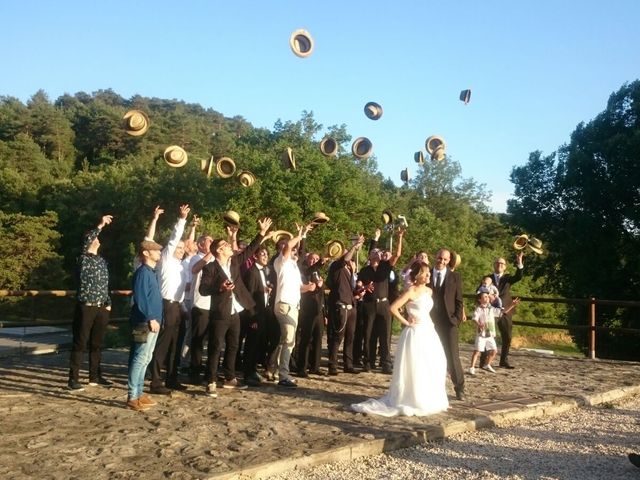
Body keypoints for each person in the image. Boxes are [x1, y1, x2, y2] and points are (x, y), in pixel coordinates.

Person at [351, 261, 448, 416]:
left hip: (428, 330)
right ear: (418, 275)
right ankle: (413, 397)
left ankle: (430, 396)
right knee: (416, 365)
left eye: (429, 273)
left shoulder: (429, 291)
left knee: (436, 362)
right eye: (426, 273)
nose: (429, 275)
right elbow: (393, 308)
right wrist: (407, 322)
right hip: (415, 331)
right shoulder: (411, 291)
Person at [198, 216, 273, 398]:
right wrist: (220, 287)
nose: (229, 247)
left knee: (233, 345)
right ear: (219, 250)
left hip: (236, 311)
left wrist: (261, 233)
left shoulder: (234, 263)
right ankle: (211, 381)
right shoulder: (210, 268)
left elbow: (250, 249)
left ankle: (230, 377)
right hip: (220, 312)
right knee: (216, 346)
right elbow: (203, 289)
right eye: (225, 244)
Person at [68, 214, 114, 391]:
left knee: (97, 343)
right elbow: (88, 238)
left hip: (101, 306)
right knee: (80, 342)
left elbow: (106, 284)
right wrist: (101, 224)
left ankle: (95, 376)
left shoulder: (102, 261)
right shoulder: (83, 258)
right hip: (86, 305)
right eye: (95, 238)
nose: (97, 240)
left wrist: (108, 302)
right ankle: (73, 379)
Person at [149, 204, 190, 395]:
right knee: (163, 345)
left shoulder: (182, 266)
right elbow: (174, 239)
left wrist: (183, 306)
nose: (181, 250)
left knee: (176, 344)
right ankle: (156, 381)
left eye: (183, 248)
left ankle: (172, 378)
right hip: (165, 305)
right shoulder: (166, 259)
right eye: (178, 247)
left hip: (177, 307)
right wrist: (182, 219)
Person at [272, 223, 317, 388]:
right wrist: (301, 234)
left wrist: (309, 287)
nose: (290, 249)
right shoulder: (280, 262)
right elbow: (290, 244)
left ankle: (273, 369)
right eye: (286, 247)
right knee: (289, 340)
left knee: (286, 340)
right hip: (284, 305)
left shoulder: (293, 266)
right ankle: (283, 375)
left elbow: (300, 287)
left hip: (293, 305)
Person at [357, 228, 403, 374]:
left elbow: (397, 255)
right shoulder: (364, 271)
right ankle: (368, 362)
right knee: (369, 334)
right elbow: (358, 286)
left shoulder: (385, 267)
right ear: (369, 256)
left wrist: (399, 237)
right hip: (370, 304)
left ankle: (386, 363)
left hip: (384, 304)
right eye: (373, 252)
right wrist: (364, 286)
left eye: (378, 252)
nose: (377, 253)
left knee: (385, 334)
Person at [126, 239, 164, 411]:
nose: (159, 253)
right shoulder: (142, 273)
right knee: (140, 358)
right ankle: (132, 396)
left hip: (152, 321)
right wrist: (151, 318)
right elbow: (141, 298)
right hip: (143, 322)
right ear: (146, 253)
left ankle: (140, 393)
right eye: (155, 250)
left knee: (146, 358)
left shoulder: (151, 272)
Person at [430, 248, 466, 401]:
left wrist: (456, 319)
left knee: (452, 355)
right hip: (429, 321)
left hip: (449, 321)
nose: (441, 262)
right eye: (439, 258)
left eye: (445, 259)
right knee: (430, 354)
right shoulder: (426, 274)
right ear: (435, 257)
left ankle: (459, 388)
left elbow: (459, 300)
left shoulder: (454, 277)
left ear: (448, 260)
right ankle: (431, 386)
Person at [326, 235, 364, 376]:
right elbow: (346, 258)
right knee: (338, 337)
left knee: (350, 336)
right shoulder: (336, 265)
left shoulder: (349, 269)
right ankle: (332, 364)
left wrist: (358, 291)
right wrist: (355, 246)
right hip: (341, 305)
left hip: (351, 304)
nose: (347, 251)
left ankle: (348, 364)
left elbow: (349, 287)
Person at [241, 245, 273, 386]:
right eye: (262, 254)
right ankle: (247, 373)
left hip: (262, 312)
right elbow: (248, 296)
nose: (265, 256)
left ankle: (253, 370)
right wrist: (252, 317)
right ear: (255, 256)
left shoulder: (262, 272)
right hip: (254, 314)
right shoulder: (252, 272)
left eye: (266, 254)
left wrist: (266, 290)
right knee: (251, 345)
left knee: (258, 344)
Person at [468, 292, 520, 375]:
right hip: (482, 334)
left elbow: (503, 312)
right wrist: (479, 324)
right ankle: (472, 367)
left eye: (487, 296)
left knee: (494, 351)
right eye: (485, 297)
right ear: (480, 300)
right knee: (477, 351)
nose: (487, 298)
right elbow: (474, 318)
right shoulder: (478, 309)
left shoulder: (491, 309)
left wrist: (512, 305)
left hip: (490, 334)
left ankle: (487, 364)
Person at [488, 252, 524, 369]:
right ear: (494, 265)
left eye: (502, 263)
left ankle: (504, 360)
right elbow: (480, 291)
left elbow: (518, 276)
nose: (499, 265)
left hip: (506, 311)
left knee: (507, 336)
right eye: (498, 263)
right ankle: (484, 361)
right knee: (487, 335)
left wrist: (519, 263)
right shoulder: (488, 278)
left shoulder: (508, 278)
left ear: (505, 266)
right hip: (490, 311)